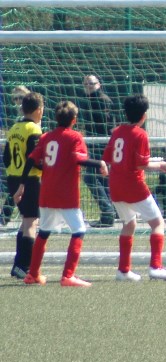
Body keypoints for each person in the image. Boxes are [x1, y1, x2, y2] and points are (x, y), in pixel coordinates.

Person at [13, 101, 108, 287]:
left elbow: (31, 160)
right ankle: (68, 275)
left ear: (56, 118)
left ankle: (33, 274)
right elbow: (78, 159)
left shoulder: (46, 137)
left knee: (43, 232)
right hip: (66, 195)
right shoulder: (75, 137)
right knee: (79, 231)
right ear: (74, 120)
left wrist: (22, 185)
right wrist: (100, 163)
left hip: (47, 193)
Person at [102, 94, 166, 281]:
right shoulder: (140, 134)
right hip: (133, 185)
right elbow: (141, 164)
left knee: (129, 224)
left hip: (115, 185)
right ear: (144, 115)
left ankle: (123, 270)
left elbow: (108, 158)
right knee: (157, 223)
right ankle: (156, 267)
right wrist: (160, 165)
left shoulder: (117, 131)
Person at [4, 92, 44, 279]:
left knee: (26, 221)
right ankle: (25, 267)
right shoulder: (33, 129)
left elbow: (6, 157)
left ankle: (17, 266)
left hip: (12, 177)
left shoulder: (14, 128)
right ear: (38, 110)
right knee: (31, 221)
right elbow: (34, 158)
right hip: (29, 180)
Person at [80, 74, 117, 227]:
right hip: (94, 144)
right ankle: (111, 212)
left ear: (99, 84)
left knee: (90, 177)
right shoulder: (87, 101)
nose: (88, 86)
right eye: (86, 84)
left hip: (102, 145)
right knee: (102, 178)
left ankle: (108, 211)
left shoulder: (102, 100)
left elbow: (108, 125)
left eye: (91, 83)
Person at [0, 86, 31, 225]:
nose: (18, 101)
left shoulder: (32, 115)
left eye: (21, 98)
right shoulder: (19, 117)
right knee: (13, 187)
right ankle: (5, 217)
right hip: (19, 158)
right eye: (15, 99)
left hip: (29, 158)